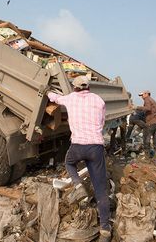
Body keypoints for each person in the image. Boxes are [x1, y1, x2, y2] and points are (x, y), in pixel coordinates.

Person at [47, 75, 112, 242]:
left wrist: (47, 92)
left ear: (75, 87)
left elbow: (56, 98)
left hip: (78, 146)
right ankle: (105, 229)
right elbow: (102, 121)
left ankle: (77, 184)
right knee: (100, 189)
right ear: (88, 87)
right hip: (96, 147)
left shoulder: (71, 98)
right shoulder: (99, 100)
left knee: (69, 163)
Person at [135, 90, 156, 163]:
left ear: (146, 94)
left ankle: (147, 158)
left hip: (151, 123)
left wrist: (137, 107)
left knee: (146, 140)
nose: (141, 97)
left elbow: (148, 108)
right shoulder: (154, 101)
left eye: (142, 95)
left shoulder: (147, 99)